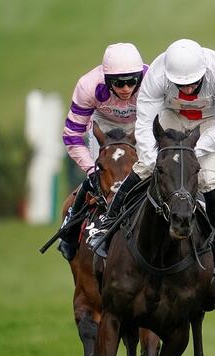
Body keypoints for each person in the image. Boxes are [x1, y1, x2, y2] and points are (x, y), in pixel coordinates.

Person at [86, 38, 215, 280]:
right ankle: (108, 226)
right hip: (172, 115)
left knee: (210, 180)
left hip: (210, 123)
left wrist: (192, 152)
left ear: (203, 74)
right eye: (180, 85)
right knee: (147, 166)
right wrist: (152, 155)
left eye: (193, 84)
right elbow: (146, 122)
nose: (187, 90)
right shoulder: (157, 75)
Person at [57, 43, 147, 260]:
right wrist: (91, 169)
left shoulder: (153, 82)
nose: (126, 89)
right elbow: (72, 135)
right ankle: (69, 230)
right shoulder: (87, 86)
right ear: (106, 80)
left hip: (141, 126)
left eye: (131, 81)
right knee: (99, 178)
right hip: (103, 127)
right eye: (119, 83)